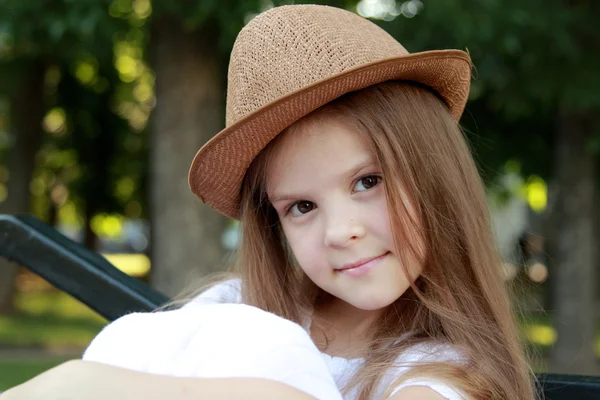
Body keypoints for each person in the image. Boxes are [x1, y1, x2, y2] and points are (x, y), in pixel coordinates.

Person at [1, 4, 536, 400]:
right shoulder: (238, 310)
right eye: (301, 207)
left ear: (432, 173)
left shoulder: (443, 375)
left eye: (367, 182)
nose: (340, 231)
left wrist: (81, 382)